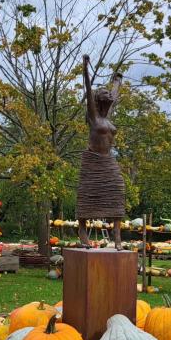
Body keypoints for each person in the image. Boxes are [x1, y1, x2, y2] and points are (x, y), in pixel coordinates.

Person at [78, 53, 125, 249]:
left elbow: (114, 95)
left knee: (117, 190)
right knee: (86, 198)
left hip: (108, 161)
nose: (108, 95)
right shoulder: (93, 117)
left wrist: (117, 81)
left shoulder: (108, 118)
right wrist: (85, 68)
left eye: (108, 94)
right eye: (104, 93)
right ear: (98, 99)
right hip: (93, 162)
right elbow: (88, 89)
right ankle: (83, 237)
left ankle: (117, 240)